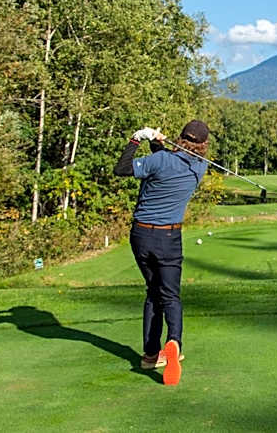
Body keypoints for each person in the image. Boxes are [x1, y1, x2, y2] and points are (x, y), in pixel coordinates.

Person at [113, 119, 209, 385]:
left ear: (181, 137)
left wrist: (137, 138)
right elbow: (170, 165)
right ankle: (174, 341)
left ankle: (151, 354)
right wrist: (157, 145)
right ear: (203, 145)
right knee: (170, 294)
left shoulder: (160, 160)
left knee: (153, 291)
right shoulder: (200, 167)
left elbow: (121, 169)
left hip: (142, 235)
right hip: (169, 236)